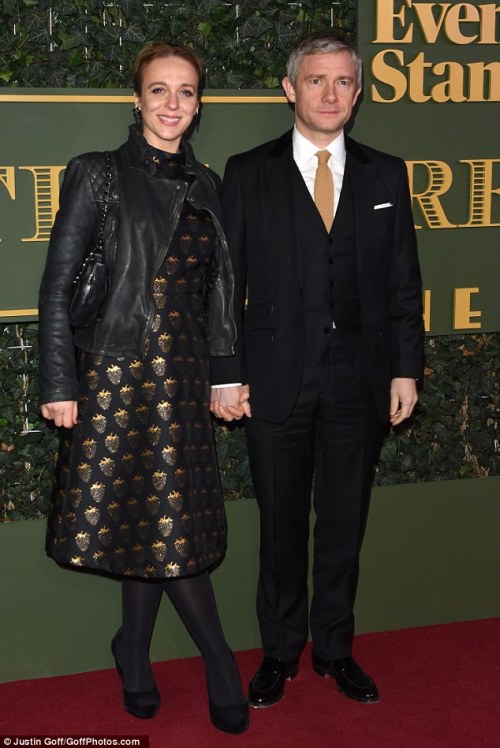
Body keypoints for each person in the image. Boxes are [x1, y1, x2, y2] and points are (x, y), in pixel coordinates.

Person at [38, 42, 249, 734]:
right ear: (136, 99)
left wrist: (225, 374)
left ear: (198, 103)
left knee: (160, 524)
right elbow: (58, 287)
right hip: (115, 377)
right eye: (159, 91)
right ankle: (217, 660)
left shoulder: (207, 182)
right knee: (150, 519)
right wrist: (61, 381)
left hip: (184, 380)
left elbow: (220, 290)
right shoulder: (97, 176)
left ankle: (132, 650)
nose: (172, 105)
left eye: (186, 93)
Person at [211, 30, 424, 708]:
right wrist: (226, 373)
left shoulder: (386, 173)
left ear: (357, 94)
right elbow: (224, 284)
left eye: (343, 82)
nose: (330, 94)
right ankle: (279, 653)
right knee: (279, 526)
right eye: (316, 80)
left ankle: (334, 649)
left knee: (342, 524)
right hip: (274, 381)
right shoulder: (247, 172)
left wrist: (405, 369)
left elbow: (400, 282)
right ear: (289, 89)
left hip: (359, 381)